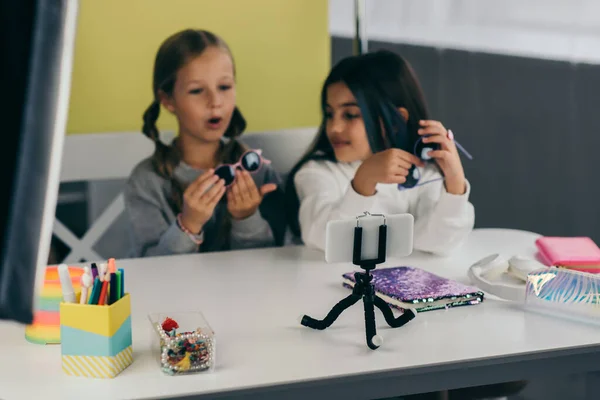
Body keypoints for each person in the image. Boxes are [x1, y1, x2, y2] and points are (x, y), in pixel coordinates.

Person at [286, 50, 474, 255]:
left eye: (350, 115)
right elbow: (322, 238)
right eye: (330, 114)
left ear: (395, 120)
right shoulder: (317, 172)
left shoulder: (424, 173)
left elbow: (439, 242)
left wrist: (455, 182)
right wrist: (363, 182)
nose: (334, 127)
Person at [125, 29, 285, 257]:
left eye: (225, 87)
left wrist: (246, 218)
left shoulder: (258, 172)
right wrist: (188, 225)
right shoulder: (146, 182)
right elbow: (151, 271)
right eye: (197, 90)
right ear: (168, 100)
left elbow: (277, 262)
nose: (215, 102)